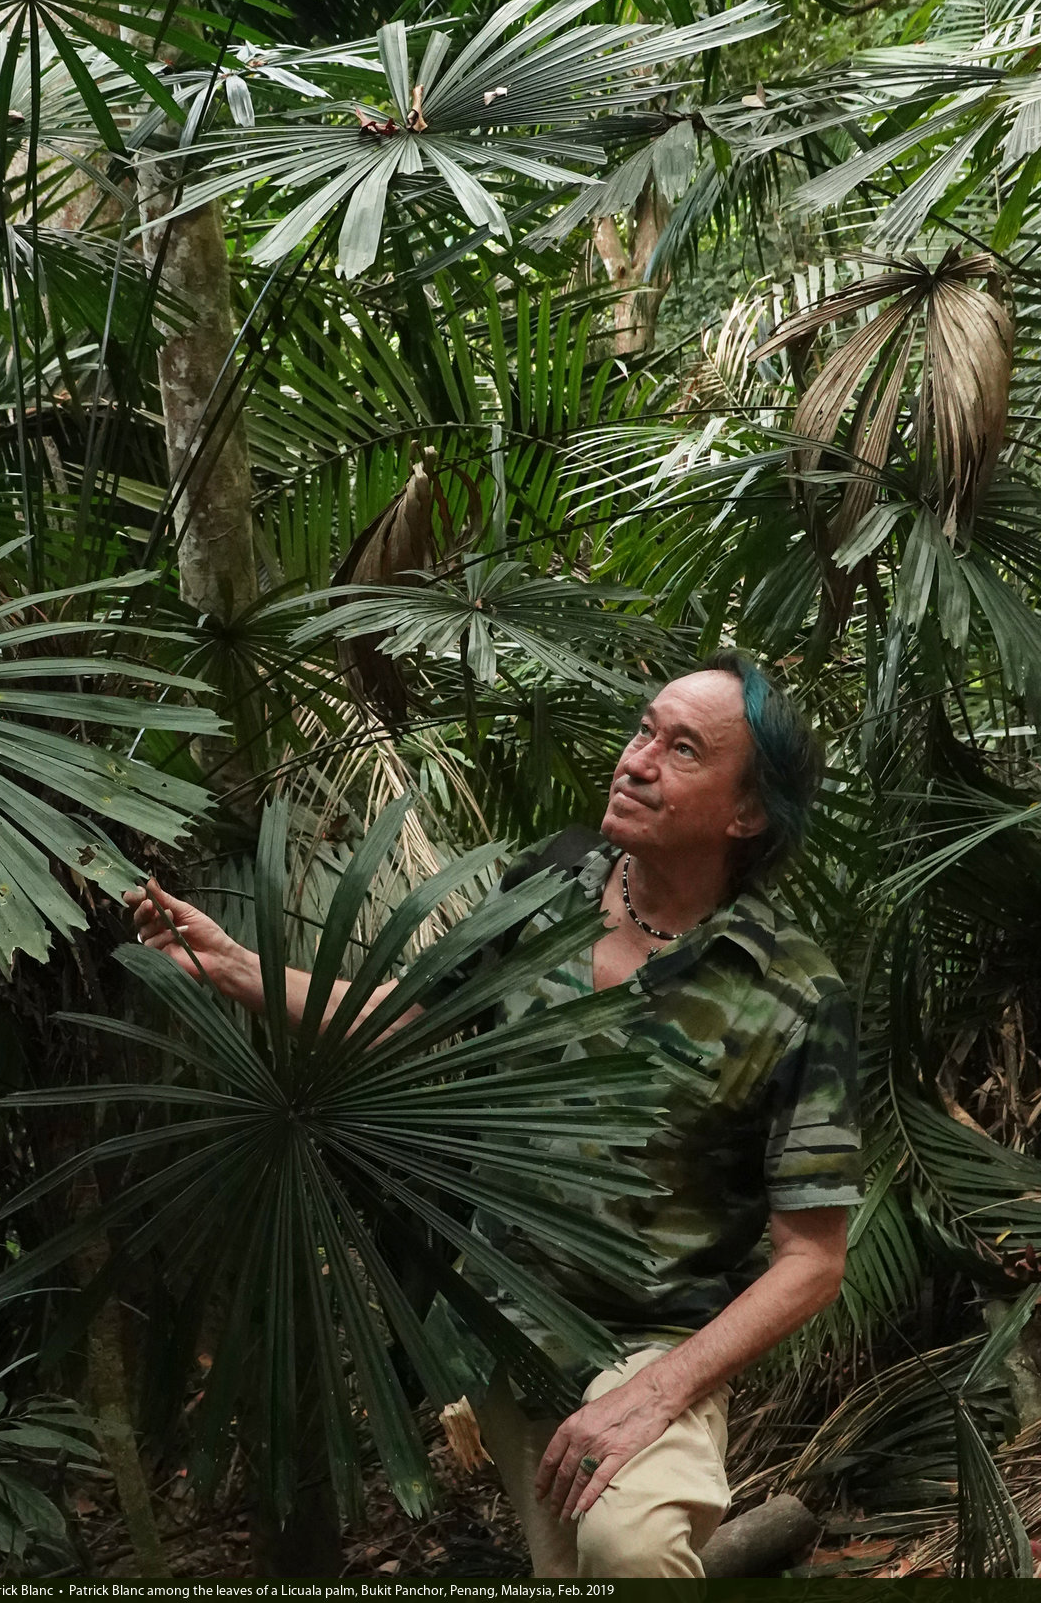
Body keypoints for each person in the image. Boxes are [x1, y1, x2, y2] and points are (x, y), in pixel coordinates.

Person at [125, 652, 861, 1577]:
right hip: (507, 1326)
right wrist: (237, 967)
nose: (636, 761)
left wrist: (656, 1393)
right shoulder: (545, 887)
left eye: (682, 750)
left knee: (629, 1549)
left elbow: (812, 1261)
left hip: (654, 1342)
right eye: (643, 730)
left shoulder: (793, 992)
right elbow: (410, 1018)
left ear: (745, 813)